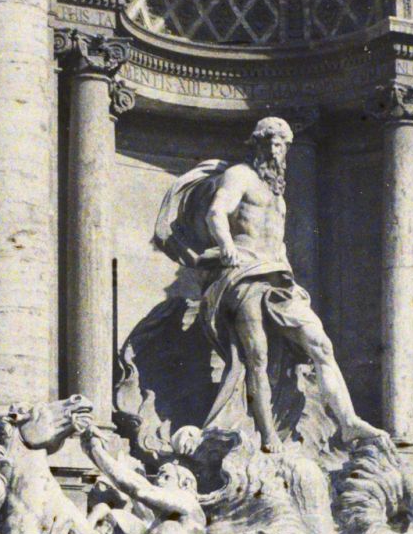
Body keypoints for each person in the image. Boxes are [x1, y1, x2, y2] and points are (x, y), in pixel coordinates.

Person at [152, 116, 381, 453]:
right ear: (256, 144)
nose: (274, 150)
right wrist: (226, 245)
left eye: (280, 144)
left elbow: (278, 242)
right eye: (268, 143)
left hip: (277, 276)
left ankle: (347, 421)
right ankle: (267, 435)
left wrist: (291, 277)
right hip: (242, 275)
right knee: (255, 357)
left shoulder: (277, 193)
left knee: (320, 344)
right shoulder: (239, 175)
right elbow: (217, 212)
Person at [72, 406, 207, 534]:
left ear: (186, 484)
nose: (159, 480)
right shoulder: (158, 528)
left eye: (166, 476)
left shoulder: (189, 506)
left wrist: (97, 451)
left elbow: (140, 489)